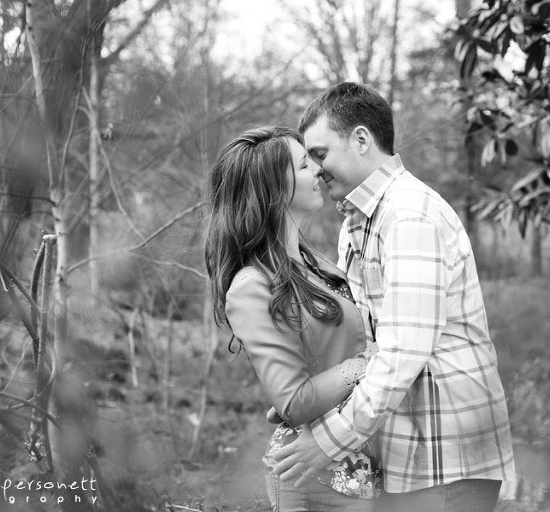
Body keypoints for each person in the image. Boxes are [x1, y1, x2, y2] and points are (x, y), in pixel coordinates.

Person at [271, 82, 517, 512]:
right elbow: (366, 345)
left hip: (445, 456)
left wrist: (326, 441)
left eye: (320, 154)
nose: (314, 169)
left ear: (362, 139)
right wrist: (310, 403)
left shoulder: (409, 215)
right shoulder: (358, 221)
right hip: (406, 453)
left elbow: (402, 353)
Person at [204, 126, 380, 511]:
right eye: (304, 165)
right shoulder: (251, 286)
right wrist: (366, 366)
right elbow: (294, 401)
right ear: (274, 191)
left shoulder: (314, 262)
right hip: (312, 478)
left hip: (355, 461)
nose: (318, 170)